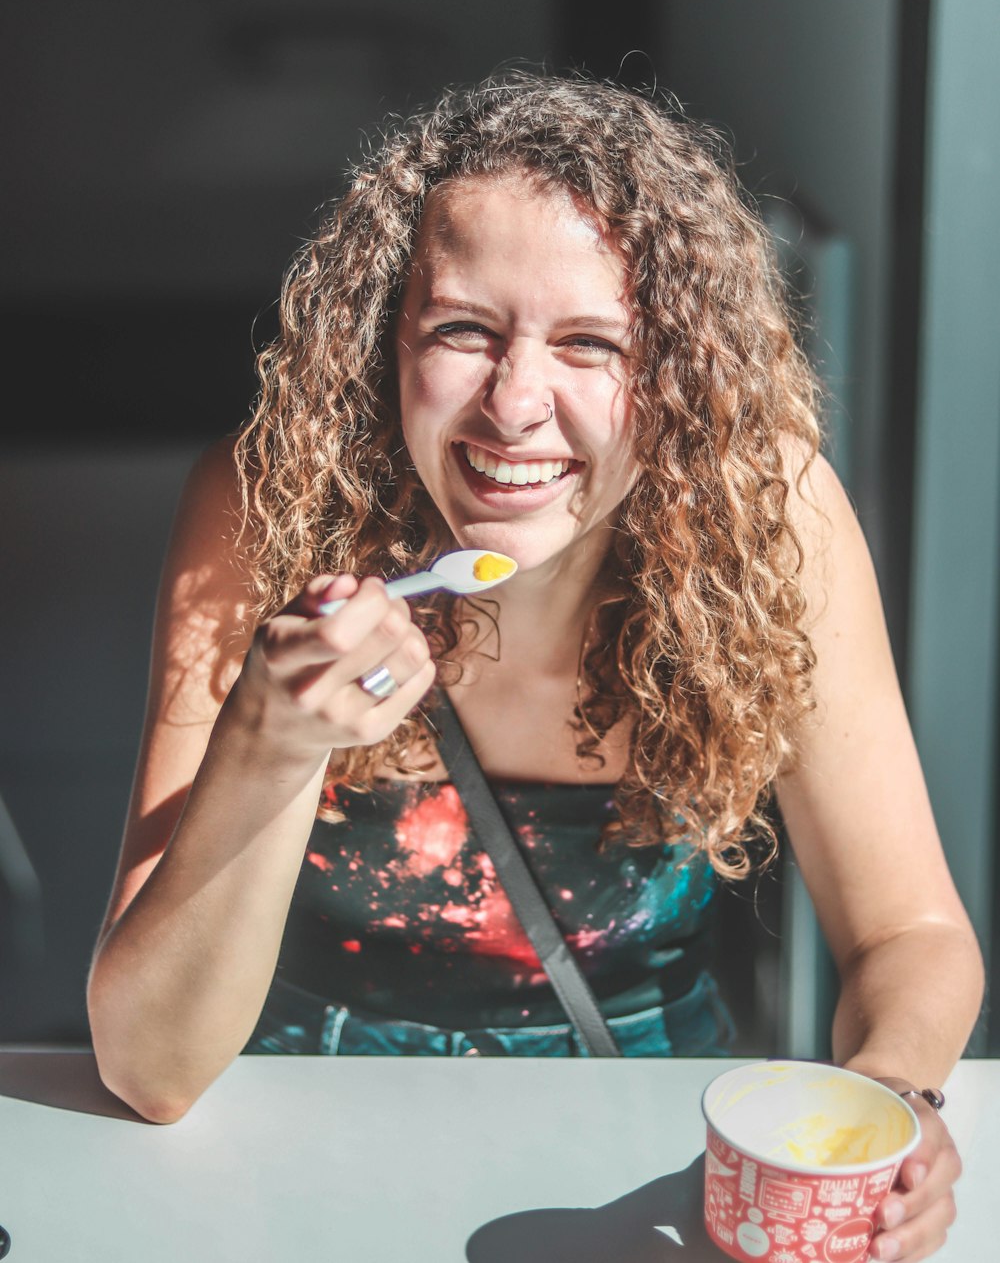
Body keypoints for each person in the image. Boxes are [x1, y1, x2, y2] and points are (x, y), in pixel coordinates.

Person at [88, 74, 980, 1259]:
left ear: (676, 373)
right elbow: (149, 1069)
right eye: (462, 329)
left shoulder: (770, 522)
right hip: (279, 1159)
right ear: (381, 337)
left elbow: (908, 935)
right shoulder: (268, 513)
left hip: (639, 1176)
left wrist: (891, 1099)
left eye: (589, 345)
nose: (515, 406)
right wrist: (271, 742)